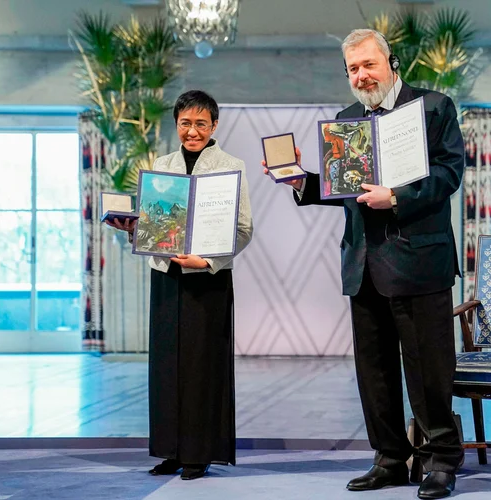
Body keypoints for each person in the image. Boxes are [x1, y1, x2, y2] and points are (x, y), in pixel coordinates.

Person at [263, 29, 464, 499]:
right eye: (353, 68)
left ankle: (441, 460)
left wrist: (396, 196)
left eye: (368, 64)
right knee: (373, 371)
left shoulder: (433, 108)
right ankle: (390, 458)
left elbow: (449, 172)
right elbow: (344, 190)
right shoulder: (348, 119)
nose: (361, 75)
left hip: (419, 262)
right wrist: (299, 181)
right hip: (363, 263)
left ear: (391, 62)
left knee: (428, 370)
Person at [107, 90, 253, 480]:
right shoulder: (162, 164)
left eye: (200, 124)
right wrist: (133, 229)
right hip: (166, 277)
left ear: (214, 126)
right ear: (177, 125)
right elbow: (155, 224)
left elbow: (242, 229)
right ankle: (171, 450)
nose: (192, 131)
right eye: (186, 124)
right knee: (167, 367)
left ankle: (198, 453)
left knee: (202, 367)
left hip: (207, 279)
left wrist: (207, 261)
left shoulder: (230, 165)